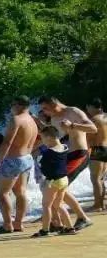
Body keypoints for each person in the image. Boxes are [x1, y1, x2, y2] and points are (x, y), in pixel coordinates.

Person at [39, 96, 96, 230]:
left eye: (45, 108)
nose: (44, 112)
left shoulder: (73, 112)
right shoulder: (54, 119)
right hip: (67, 155)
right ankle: (57, 221)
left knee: (58, 185)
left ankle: (82, 218)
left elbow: (93, 128)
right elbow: (57, 139)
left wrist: (73, 125)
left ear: (54, 104)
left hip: (79, 154)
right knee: (56, 185)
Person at [0, 97, 37, 234]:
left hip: (13, 159)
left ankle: (7, 224)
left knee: (2, 192)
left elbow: (7, 142)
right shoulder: (32, 121)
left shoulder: (16, 119)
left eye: (12, 104)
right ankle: (19, 223)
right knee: (20, 192)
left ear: (19, 105)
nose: (11, 107)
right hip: (27, 158)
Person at [33, 126, 76, 237]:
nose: (42, 141)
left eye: (42, 138)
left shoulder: (49, 152)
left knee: (46, 205)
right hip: (64, 179)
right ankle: (70, 228)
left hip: (54, 181)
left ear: (49, 137)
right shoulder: (64, 147)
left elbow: (44, 167)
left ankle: (45, 230)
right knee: (58, 204)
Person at [86, 98, 107, 211]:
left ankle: (98, 205)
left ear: (92, 106)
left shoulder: (93, 119)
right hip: (106, 147)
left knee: (95, 178)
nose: (87, 110)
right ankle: (101, 204)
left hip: (97, 148)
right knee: (101, 178)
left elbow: (89, 138)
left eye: (88, 107)